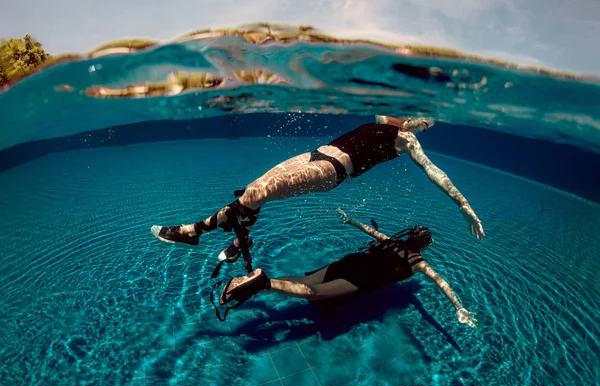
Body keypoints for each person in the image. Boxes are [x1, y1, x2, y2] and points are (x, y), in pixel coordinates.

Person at [151, 114, 485, 274]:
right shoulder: (386, 116)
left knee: (254, 194)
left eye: (427, 126)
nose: (422, 126)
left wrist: (464, 204)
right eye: (424, 119)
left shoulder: (406, 141)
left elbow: (433, 171)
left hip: (331, 171)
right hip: (315, 154)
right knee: (255, 191)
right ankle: (240, 243)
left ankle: (192, 232)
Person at [216, 209, 477, 327]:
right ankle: (264, 283)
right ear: (424, 246)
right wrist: (458, 307)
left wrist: (350, 220)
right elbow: (442, 282)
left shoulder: (394, 241)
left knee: (305, 279)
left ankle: (258, 281)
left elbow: (370, 230)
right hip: (362, 276)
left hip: (351, 261)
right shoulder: (418, 262)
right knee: (314, 293)